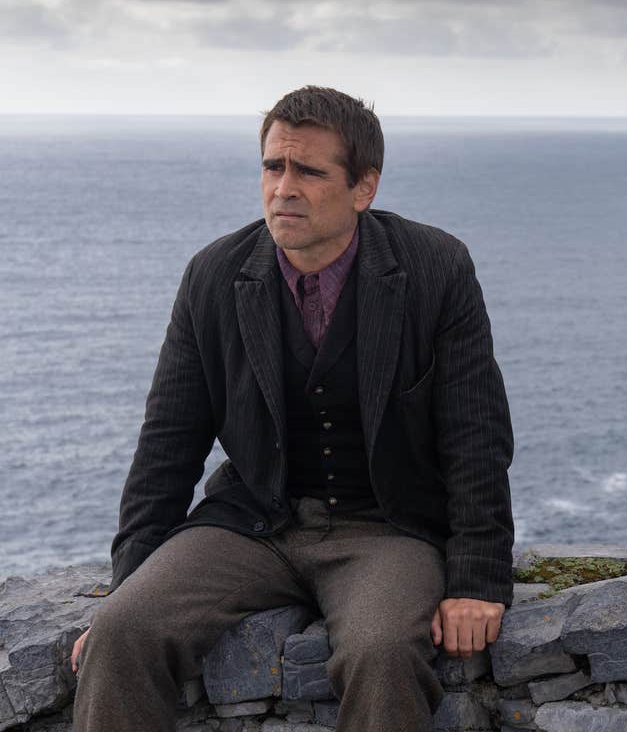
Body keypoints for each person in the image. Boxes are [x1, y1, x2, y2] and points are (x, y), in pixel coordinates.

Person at [69, 86, 515, 731]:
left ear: (364, 187)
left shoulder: (435, 267)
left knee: (383, 652)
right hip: (251, 523)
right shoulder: (214, 275)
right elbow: (168, 441)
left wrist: (477, 580)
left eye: (309, 171)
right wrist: (128, 586)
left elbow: (476, 433)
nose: (284, 187)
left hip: (387, 529)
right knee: (123, 632)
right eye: (273, 166)